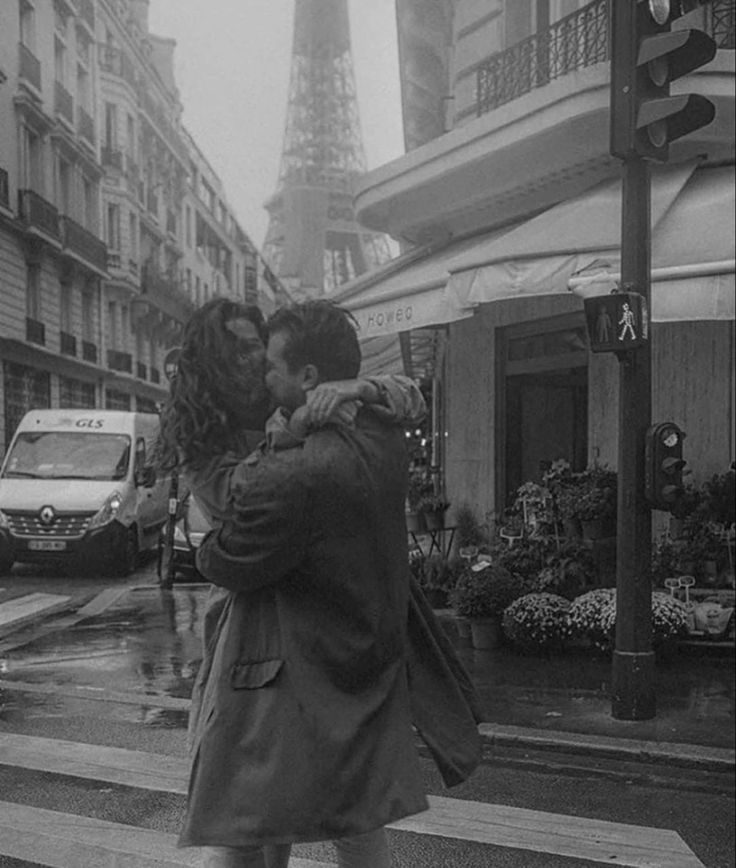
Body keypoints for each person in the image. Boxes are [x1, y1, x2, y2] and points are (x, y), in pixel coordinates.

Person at [178, 300, 428, 867]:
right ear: (213, 361)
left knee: (324, 801)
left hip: (318, 610)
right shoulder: (208, 433)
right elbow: (242, 505)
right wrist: (292, 431)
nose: (253, 358)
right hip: (250, 621)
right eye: (240, 348)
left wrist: (356, 390)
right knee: (253, 807)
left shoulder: (284, 386)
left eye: (258, 346)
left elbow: (408, 394)